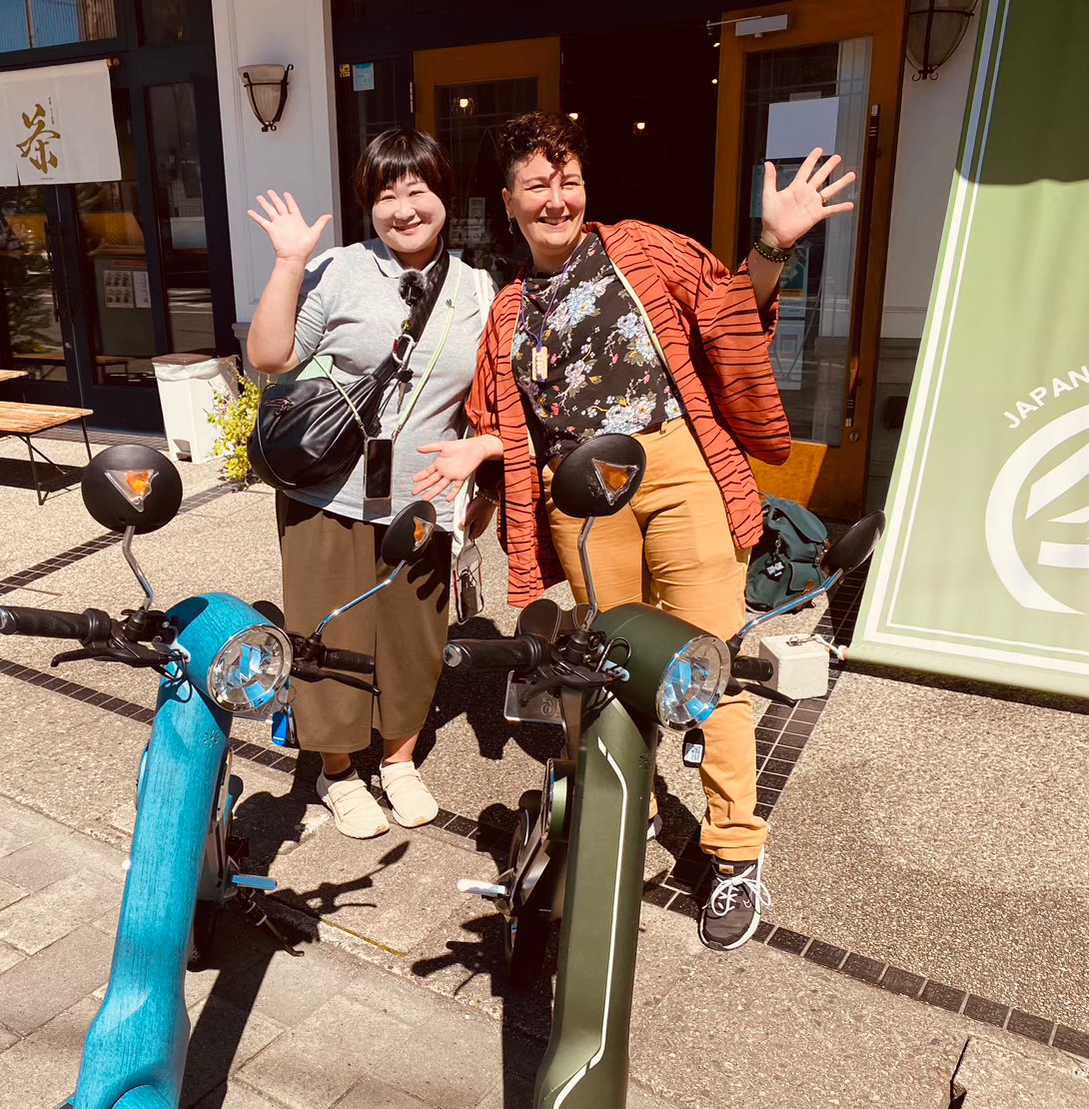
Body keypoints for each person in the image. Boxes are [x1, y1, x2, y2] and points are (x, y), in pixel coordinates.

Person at [413, 111, 854, 949]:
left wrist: (770, 246)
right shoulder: (507, 311)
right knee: (605, 662)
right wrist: (484, 449)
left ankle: (733, 849)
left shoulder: (641, 249)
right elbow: (507, 423)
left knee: (708, 662)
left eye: (568, 179)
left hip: (676, 465)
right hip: (579, 493)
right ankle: (633, 805)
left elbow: (729, 313)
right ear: (507, 201)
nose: (557, 198)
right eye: (537, 184)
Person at [246, 129, 497, 840]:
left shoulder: (478, 289)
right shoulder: (337, 270)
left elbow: (488, 399)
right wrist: (289, 263)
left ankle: (399, 760)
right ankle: (338, 772)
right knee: (330, 632)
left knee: (415, 636)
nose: (404, 208)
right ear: (368, 204)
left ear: (443, 195)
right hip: (328, 492)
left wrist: (483, 482)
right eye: (386, 194)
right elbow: (269, 355)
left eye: (418, 189)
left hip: (424, 496)